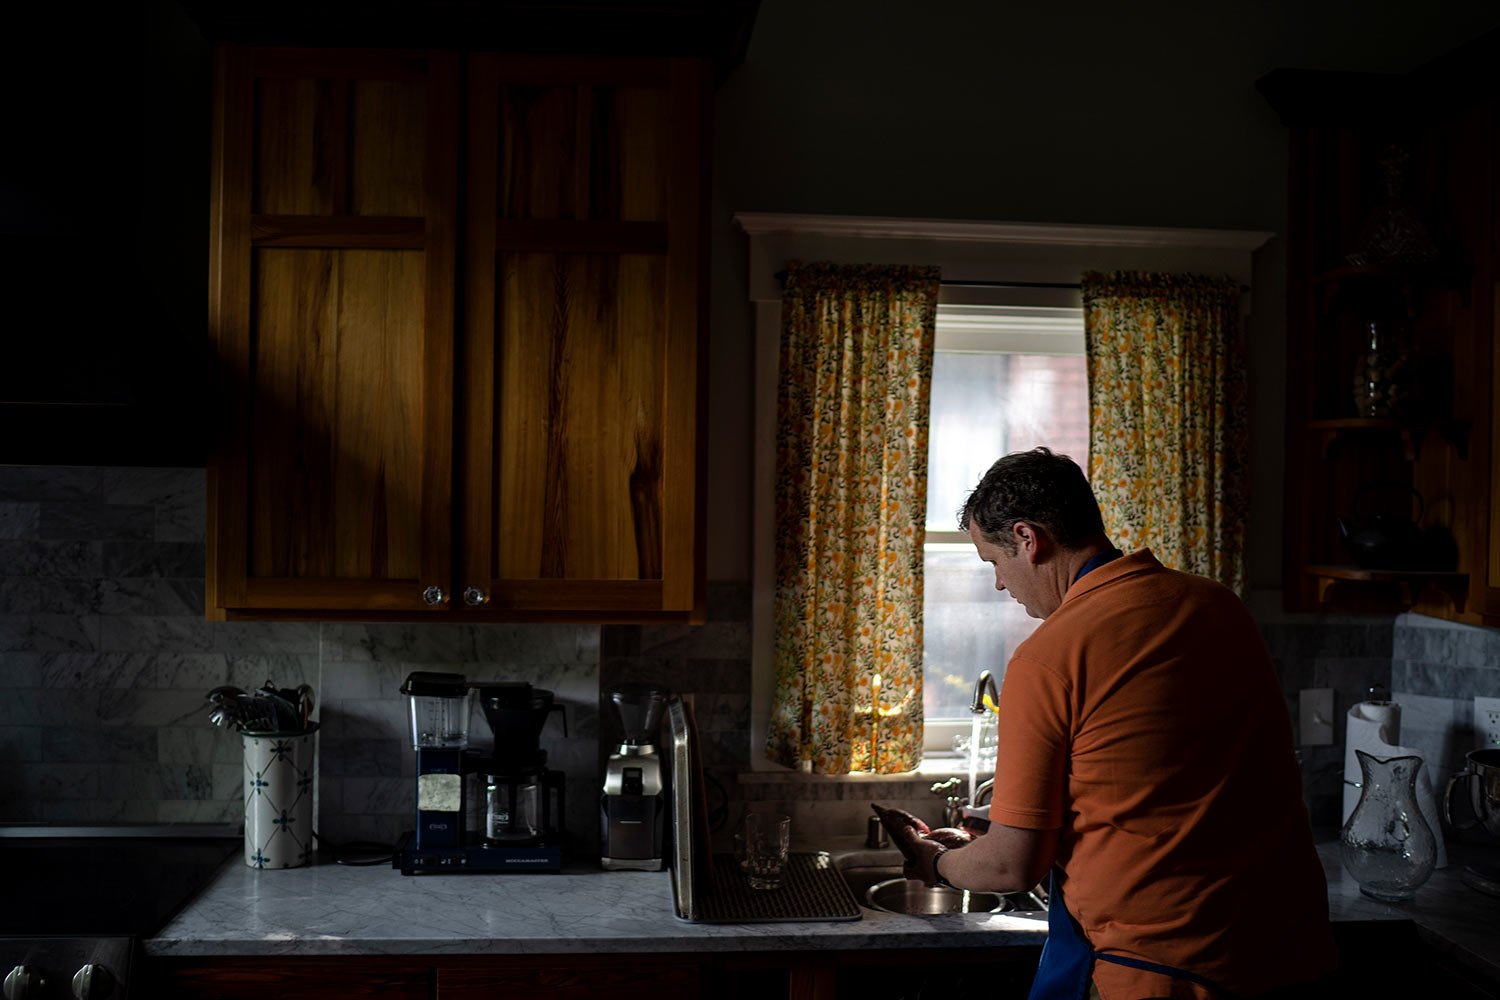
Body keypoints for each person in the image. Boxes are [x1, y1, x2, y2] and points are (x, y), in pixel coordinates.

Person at [875, 447, 1337, 1000]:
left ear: (1028, 538)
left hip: (1163, 972)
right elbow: (1160, 782)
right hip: (1291, 955)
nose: (999, 584)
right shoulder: (1219, 605)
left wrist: (936, 861)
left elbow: (1010, 868)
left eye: (992, 561)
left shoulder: (1050, 656)